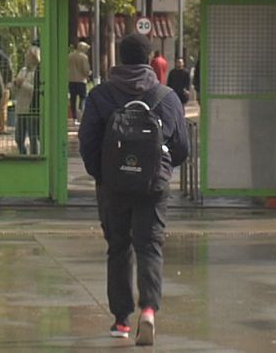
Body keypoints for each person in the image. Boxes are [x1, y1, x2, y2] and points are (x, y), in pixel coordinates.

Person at [78, 33, 188, 346]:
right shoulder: (166, 97)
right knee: (149, 245)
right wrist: (162, 169)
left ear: (121, 58)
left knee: (118, 247)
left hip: (112, 185)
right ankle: (150, 310)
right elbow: (181, 147)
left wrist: (101, 173)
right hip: (153, 185)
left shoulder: (101, 95)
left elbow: (88, 142)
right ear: (149, 58)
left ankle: (121, 321)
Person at [12, 45, 41, 155]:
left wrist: (23, 84)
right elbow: (16, 90)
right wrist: (15, 85)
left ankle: (35, 156)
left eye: (28, 56)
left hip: (31, 108)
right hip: (21, 108)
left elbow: (36, 90)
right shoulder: (23, 71)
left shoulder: (38, 73)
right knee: (18, 137)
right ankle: (23, 153)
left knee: (33, 137)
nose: (26, 58)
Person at [67, 41, 91, 123]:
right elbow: (85, 69)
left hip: (71, 79)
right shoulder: (84, 57)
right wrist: (88, 73)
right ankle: (81, 115)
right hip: (81, 80)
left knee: (73, 99)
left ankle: (74, 117)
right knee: (83, 98)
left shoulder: (70, 56)